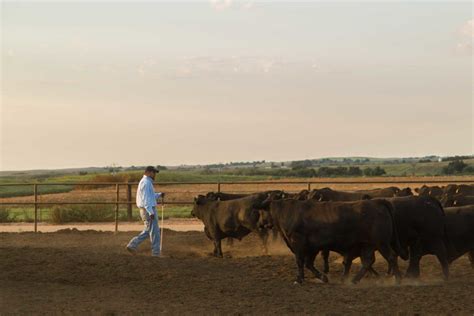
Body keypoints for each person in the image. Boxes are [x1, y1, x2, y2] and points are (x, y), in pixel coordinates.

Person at [126, 166, 165, 256]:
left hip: (145, 209)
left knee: (148, 230)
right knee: (155, 232)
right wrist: (150, 212)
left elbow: (149, 196)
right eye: (154, 173)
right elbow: (147, 199)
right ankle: (156, 253)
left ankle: (132, 245)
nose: (155, 175)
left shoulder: (145, 182)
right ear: (149, 172)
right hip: (148, 210)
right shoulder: (147, 183)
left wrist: (159, 195)